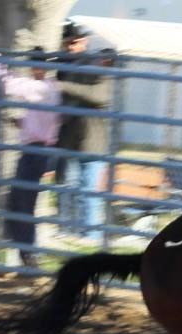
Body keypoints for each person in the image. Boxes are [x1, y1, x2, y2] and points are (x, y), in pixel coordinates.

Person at [0, 47, 62, 268]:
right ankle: (24, 253)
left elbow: (8, 83)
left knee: (21, 203)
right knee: (19, 202)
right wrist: (24, 123)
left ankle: (28, 254)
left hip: (35, 151)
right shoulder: (51, 89)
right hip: (39, 149)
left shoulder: (37, 88)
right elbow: (47, 120)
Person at [54, 20, 113, 245]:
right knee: (67, 185)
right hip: (68, 136)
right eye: (68, 42)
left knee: (87, 190)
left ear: (84, 42)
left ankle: (89, 234)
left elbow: (100, 95)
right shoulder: (63, 66)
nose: (71, 46)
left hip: (92, 140)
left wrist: (65, 87)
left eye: (75, 42)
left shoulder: (93, 67)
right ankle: (68, 228)